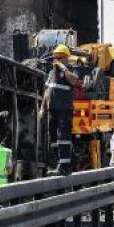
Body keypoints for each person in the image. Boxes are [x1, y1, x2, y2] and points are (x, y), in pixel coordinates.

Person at [39, 45, 79, 175]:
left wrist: (62, 67)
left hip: (64, 109)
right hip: (52, 109)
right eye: (55, 58)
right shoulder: (51, 73)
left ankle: (65, 166)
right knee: (53, 138)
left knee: (63, 137)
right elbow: (46, 93)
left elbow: (74, 81)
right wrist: (42, 109)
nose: (55, 60)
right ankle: (58, 164)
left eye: (59, 58)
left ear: (66, 58)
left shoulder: (71, 70)